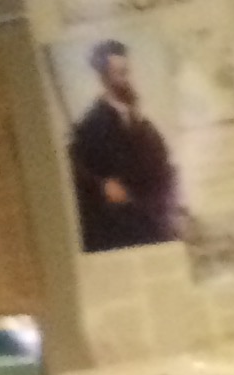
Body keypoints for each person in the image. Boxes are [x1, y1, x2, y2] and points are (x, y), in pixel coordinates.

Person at [67, 41, 180, 251]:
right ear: (104, 77)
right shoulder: (90, 125)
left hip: (154, 220)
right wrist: (102, 186)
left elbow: (163, 165)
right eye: (119, 73)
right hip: (122, 230)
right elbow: (75, 171)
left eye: (127, 72)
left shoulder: (142, 123)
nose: (127, 80)